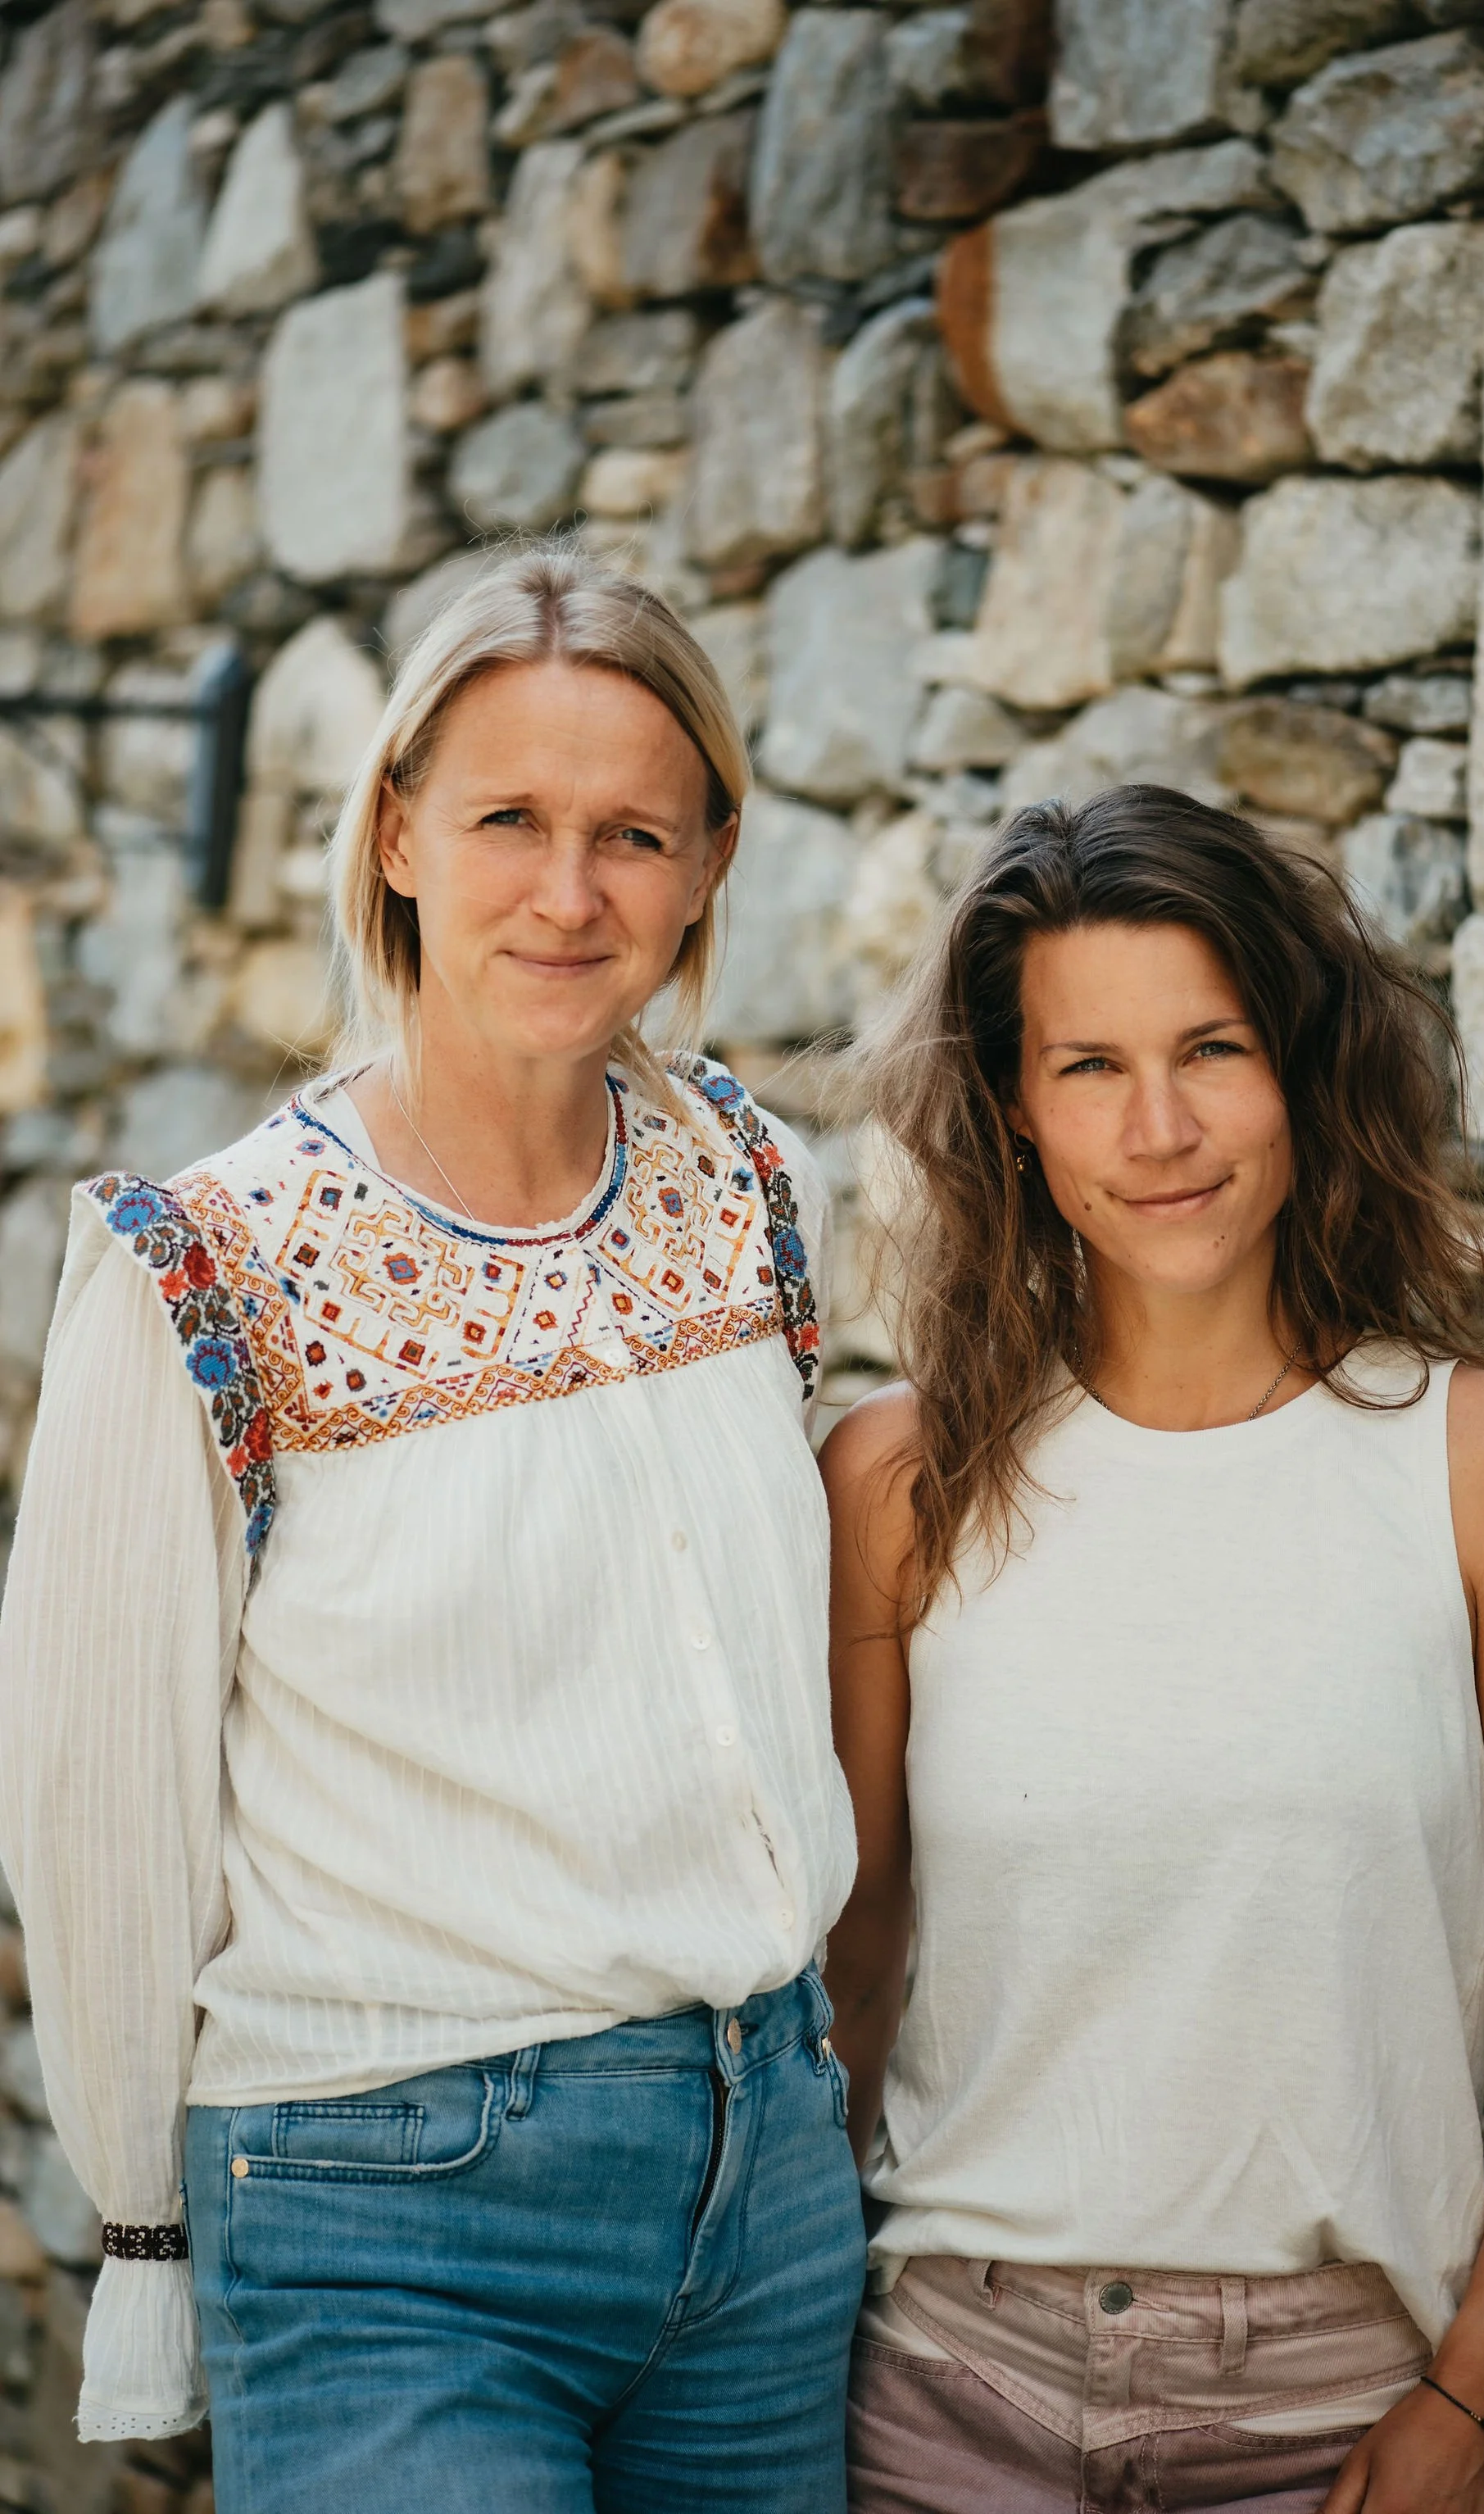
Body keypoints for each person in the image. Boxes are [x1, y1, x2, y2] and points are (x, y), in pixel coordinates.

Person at [0, 547, 865, 2513]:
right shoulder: (205, 1264)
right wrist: (143, 2239)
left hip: (770, 2189)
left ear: (710, 861)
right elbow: (99, 1799)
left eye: (633, 833)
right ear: (394, 829)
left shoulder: (750, 1180)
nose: (571, 893)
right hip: (389, 2205)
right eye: (509, 820)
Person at [821, 785, 1484, 2514]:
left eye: (1212, 1046)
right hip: (946, 2390)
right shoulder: (901, 1483)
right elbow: (855, 1949)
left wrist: (1477, 2397)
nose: (1162, 1125)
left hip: (1335, 2422)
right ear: (1011, 1113)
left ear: (1304, 1067)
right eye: (1088, 1067)